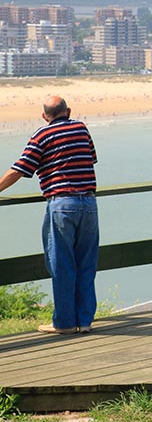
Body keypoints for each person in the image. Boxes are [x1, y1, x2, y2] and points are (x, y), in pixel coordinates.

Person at [0, 96, 99, 334]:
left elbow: (20, 168)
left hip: (62, 204)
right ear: (69, 111)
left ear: (45, 116)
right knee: (86, 263)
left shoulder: (41, 135)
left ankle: (64, 323)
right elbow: (91, 157)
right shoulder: (81, 128)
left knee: (62, 264)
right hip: (89, 203)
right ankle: (84, 321)